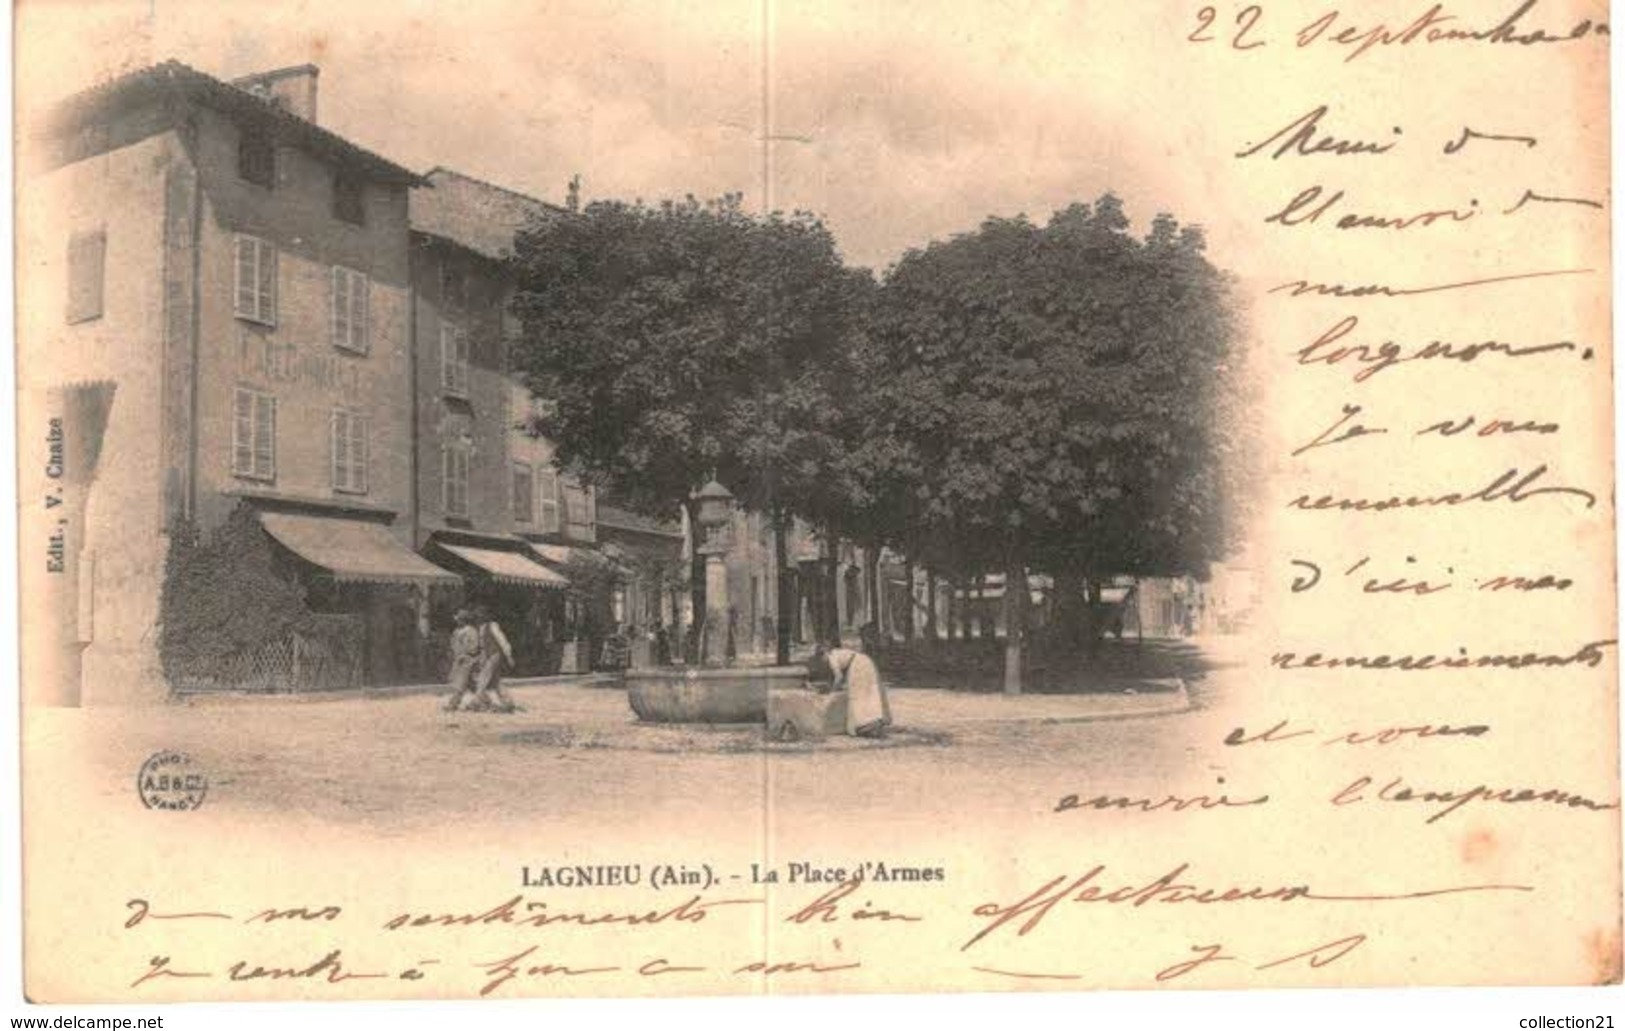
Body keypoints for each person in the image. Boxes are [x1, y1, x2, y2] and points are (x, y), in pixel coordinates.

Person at [809, 640, 892, 738]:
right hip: (865, 661)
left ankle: (865, 724)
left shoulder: (832, 658)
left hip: (858, 665)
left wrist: (832, 691)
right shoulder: (837, 653)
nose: (823, 661)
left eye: (821, 658)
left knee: (858, 695)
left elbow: (838, 677)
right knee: (869, 693)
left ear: (823, 654)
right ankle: (873, 721)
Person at [471, 606, 520, 714]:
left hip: (494, 654)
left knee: (483, 677)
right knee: (495, 681)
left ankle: (476, 702)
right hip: (487, 655)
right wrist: (482, 658)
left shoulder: (493, 625)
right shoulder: (481, 628)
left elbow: (502, 640)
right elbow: (483, 646)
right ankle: (508, 702)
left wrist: (508, 655)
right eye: (478, 615)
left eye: (480, 615)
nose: (479, 617)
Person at [441, 608, 483, 712]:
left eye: (459, 619)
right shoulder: (456, 631)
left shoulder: (471, 631)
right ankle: (486, 702)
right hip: (458, 660)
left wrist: (465, 654)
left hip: (468, 660)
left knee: (461, 684)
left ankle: (453, 704)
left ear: (464, 620)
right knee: (471, 684)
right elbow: (453, 644)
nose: (457, 621)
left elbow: (474, 646)